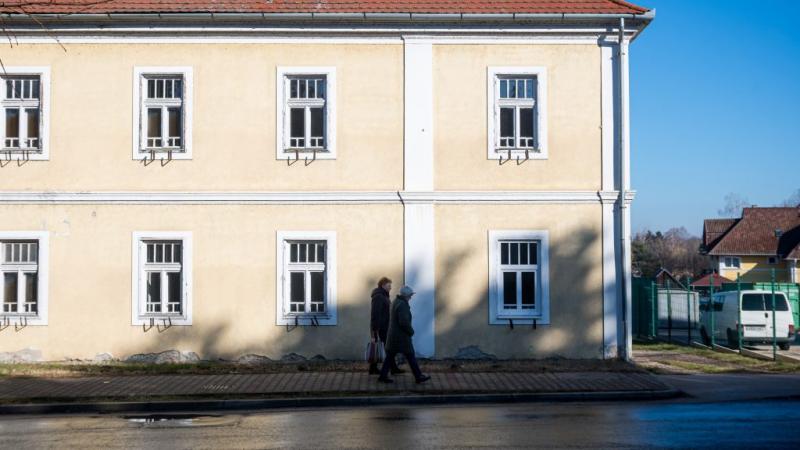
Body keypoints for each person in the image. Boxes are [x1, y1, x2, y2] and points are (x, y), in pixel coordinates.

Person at [378, 285, 431, 384]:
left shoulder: (396, 301)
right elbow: (403, 322)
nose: (411, 297)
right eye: (410, 295)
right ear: (406, 295)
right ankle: (418, 376)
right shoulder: (402, 305)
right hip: (401, 337)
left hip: (393, 335)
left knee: (390, 356)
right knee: (410, 355)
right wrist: (411, 331)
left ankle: (383, 376)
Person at [369, 277, 402, 375]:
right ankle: (392, 368)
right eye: (389, 285)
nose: (390, 288)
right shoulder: (379, 296)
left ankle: (374, 368)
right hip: (381, 327)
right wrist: (375, 330)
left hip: (384, 326)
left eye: (390, 285)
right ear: (383, 285)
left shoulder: (384, 295)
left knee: (384, 347)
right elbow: (375, 313)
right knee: (388, 348)